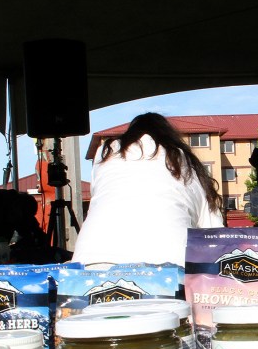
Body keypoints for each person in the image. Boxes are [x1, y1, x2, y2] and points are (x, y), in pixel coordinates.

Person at [72, 112, 224, 266]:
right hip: (169, 265)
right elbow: (212, 231)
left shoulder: (106, 153)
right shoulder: (183, 160)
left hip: (90, 262)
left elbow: (97, 197)